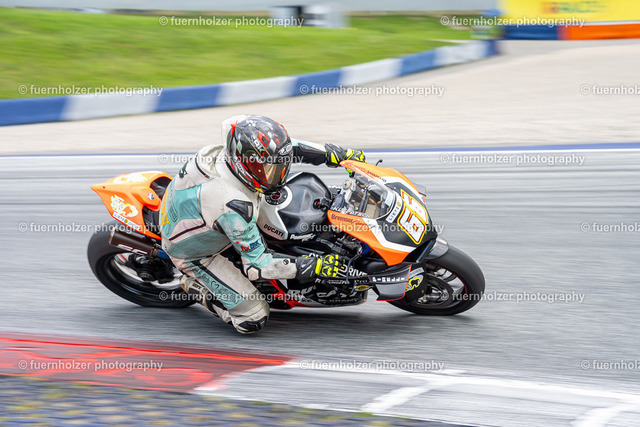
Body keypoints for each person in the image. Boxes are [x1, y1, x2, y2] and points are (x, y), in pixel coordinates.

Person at [159, 115, 366, 334]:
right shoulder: (233, 205)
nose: (277, 174)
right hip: (193, 252)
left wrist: (335, 154)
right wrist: (313, 266)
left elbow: (288, 149)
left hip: (197, 210)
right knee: (253, 318)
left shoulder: (233, 153)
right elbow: (258, 266)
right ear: (243, 164)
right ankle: (193, 285)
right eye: (266, 168)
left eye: (278, 166)